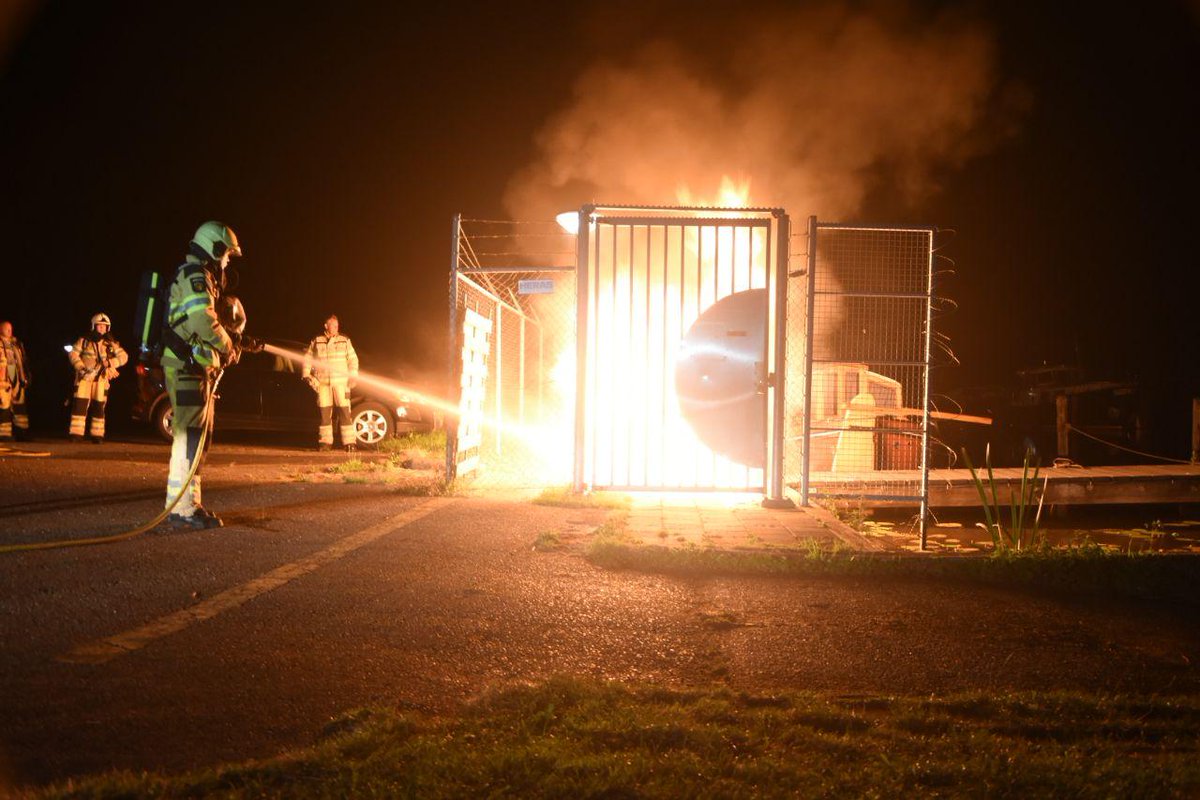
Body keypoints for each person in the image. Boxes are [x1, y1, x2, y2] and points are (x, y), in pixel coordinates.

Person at [160, 221, 244, 529]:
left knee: (198, 439)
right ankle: (182, 510)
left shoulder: (202, 276)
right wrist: (228, 345)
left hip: (194, 368)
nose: (226, 262)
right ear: (214, 247)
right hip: (186, 368)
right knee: (189, 437)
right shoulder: (195, 275)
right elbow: (200, 320)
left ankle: (187, 505)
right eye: (226, 255)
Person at [67, 313, 128, 443]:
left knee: (99, 406)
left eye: (104, 327)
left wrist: (111, 363)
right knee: (80, 405)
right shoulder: (84, 341)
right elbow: (73, 354)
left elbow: (124, 357)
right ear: (94, 326)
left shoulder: (111, 344)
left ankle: (97, 435)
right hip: (84, 379)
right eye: (99, 326)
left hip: (101, 379)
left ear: (108, 328)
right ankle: (76, 434)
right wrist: (82, 369)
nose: (102, 329)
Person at [301, 314, 359, 451]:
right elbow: (308, 358)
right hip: (323, 383)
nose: (334, 328)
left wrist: (353, 376)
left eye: (336, 325)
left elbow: (353, 360)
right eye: (332, 325)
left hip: (341, 383)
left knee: (345, 413)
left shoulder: (345, 340)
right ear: (326, 326)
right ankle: (325, 443)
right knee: (325, 413)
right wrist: (306, 374)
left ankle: (350, 443)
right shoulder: (317, 340)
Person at [0, 320, 31, 441]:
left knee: (20, 407)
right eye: (6, 328)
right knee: (4, 406)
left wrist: (25, 377)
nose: (9, 331)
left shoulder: (16, 344)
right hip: (3, 380)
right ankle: (4, 434)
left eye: (10, 328)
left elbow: (22, 361)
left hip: (17, 377)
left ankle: (22, 433)